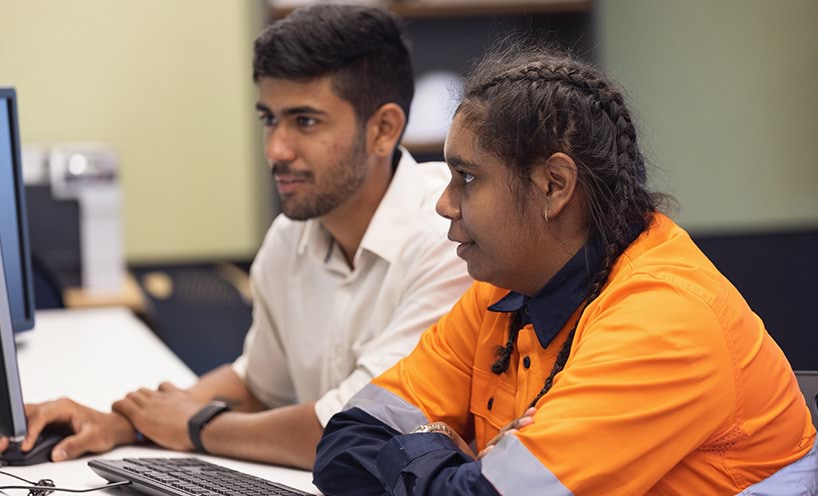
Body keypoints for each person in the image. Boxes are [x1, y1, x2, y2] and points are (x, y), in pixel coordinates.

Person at [312, 44, 818, 495]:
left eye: (467, 177)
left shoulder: (665, 319)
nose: (445, 204)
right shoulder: (501, 292)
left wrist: (422, 449)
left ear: (554, 185)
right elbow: (344, 444)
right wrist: (449, 460)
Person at [2, 4, 470, 470]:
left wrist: (194, 427)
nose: (275, 150)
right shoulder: (292, 235)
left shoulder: (451, 239)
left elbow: (354, 431)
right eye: (269, 119)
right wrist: (118, 424)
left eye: (305, 121)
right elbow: (257, 386)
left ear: (383, 129)